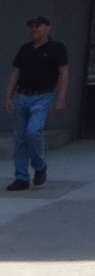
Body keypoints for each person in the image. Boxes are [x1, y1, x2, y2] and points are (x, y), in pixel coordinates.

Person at [7, 15, 69, 190]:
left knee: (33, 132)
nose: (34, 30)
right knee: (20, 139)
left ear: (48, 28)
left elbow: (64, 73)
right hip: (23, 96)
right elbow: (15, 73)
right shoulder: (25, 49)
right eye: (32, 27)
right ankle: (21, 177)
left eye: (38, 26)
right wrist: (8, 96)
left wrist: (61, 98)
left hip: (42, 96)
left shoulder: (56, 48)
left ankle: (40, 166)